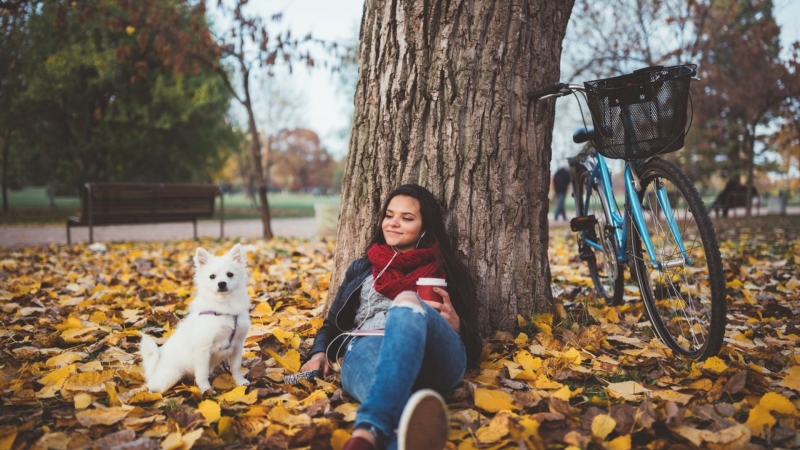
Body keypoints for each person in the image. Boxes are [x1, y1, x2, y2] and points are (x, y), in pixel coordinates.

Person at [300, 184, 482, 450]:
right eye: (389, 215)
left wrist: (457, 327)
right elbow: (332, 324)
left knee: (407, 300)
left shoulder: (449, 272)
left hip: (433, 353)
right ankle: (397, 438)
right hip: (368, 347)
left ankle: (366, 432)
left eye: (407, 218)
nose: (394, 223)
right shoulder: (361, 268)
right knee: (393, 395)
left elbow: (475, 349)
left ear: (425, 227)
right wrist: (318, 353)